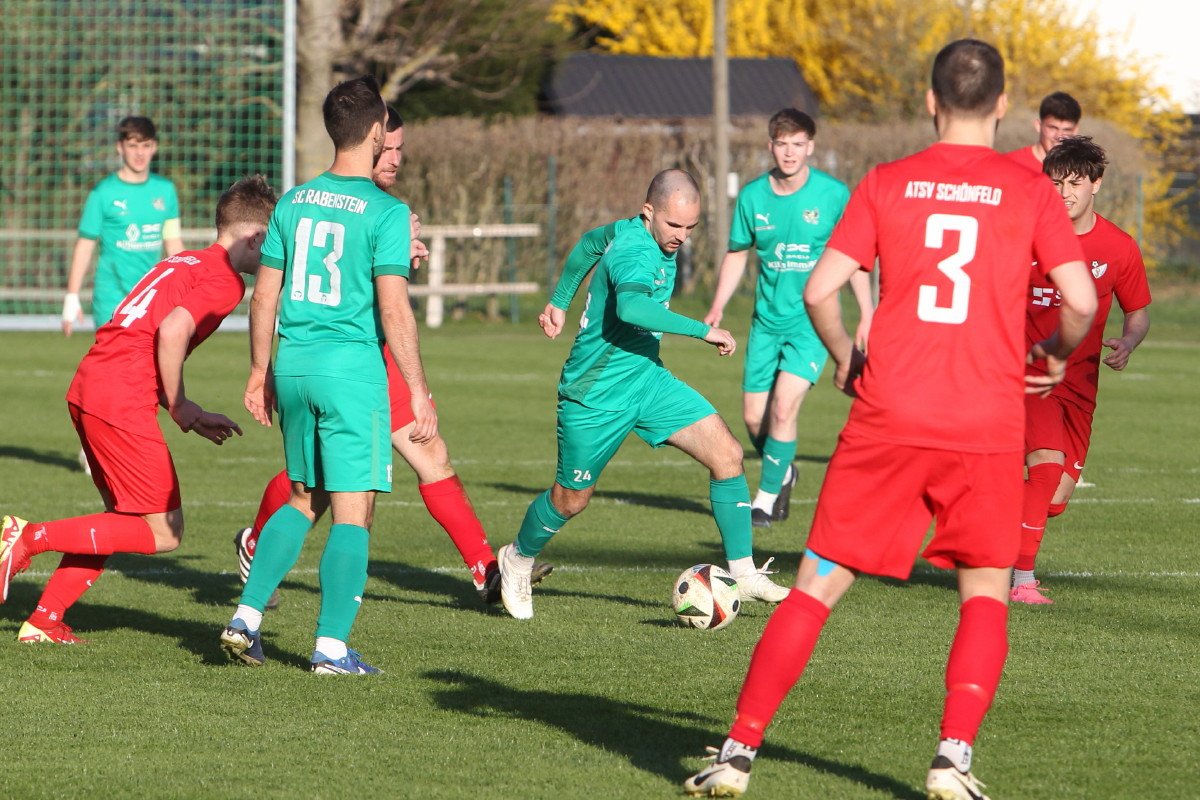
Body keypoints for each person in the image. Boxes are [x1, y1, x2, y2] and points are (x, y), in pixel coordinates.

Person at [683, 39, 1097, 800]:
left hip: (891, 409)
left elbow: (819, 291)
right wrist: (1054, 355)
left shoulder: (887, 183)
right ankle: (952, 760)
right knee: (984, 590)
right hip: (985, 417)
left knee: (814, 587)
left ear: (930, 101)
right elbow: (1082, 302)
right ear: (1005, 106)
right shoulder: (1029, 187)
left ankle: (738, 753)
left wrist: (845, 355)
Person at [232, 105, 551, 607]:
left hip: (364, 356)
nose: (395, 157)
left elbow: (375, 292)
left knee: (428, 454)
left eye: (402, 148)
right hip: (343, 360)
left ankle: (485, 570)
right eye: (390, 145)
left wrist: (406, 263)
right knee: (319, 484)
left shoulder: (378, 208)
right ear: (371, 138)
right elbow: (326, 289)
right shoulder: (355, 206)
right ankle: (273, 562)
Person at [497, 169, 791, 622]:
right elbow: (631, 307)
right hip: (596, 393)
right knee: (571, 499)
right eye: (674, 226)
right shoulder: (634, 251)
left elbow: (589, 243)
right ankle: (517, 559)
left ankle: (744, 571)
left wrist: (559, 299)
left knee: (727, 455)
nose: (682, 238)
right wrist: (704, 330)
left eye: (691, 228)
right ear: (649, 212)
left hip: (648, 380)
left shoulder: (627, 231)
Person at [0, 175, 276, 643]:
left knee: (121, 521)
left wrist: (177, 404)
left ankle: (44, 619)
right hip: (122, 397)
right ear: (256, 236)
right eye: (272, 243)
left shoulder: (183, 260)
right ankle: (26, 537)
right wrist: (180, 404)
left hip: (92, 384)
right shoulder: (225, 280)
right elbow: (172, 330)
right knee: (164, 532)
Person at [219, 76, 430, 676]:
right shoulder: (385, 211)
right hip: (350, 372)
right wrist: (417, 388)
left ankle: (247, 619)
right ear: (372, 133)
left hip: (295, 367)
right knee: (353, 508)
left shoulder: (292, 202)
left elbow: (264, 298)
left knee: (301, 497)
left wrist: (259, 372)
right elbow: (393, 309)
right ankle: (332, 649)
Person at [703, 108, 873, 527]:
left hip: (811, 324)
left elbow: (854, 259)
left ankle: (765, 497)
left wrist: (867, 314)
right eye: (782, 144)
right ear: (770, 146)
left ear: (811, 147)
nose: (790, 152)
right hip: (765, 322)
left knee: (783, 409)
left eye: (798, 144)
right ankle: (785, 470)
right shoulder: (753, 197)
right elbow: (738, 253)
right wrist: (717, 306)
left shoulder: (833, 195)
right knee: (753, 417)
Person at [1012, 136, 1151, 605]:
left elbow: (1138, 312)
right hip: (1028, 377)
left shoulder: (1118, 247)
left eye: (1074, 182)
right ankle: (1020, 581)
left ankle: (990, 503)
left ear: (1096, 183)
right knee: (1046, 469)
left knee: (1053, 500)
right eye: (1055, 183)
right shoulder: (1024, 235)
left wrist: (1129, 341)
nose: (1064, 192)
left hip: (1081, 387)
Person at [63, 116, 184, 336]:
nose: (140, 153)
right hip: (111, 299)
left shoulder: (165, 191)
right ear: (120, 147)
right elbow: (85, 246)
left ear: (154, 147)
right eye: (133, 146)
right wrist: (72, 296)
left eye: (146, 146)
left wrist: (186, 287)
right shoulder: (102, 193)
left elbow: (173, 243)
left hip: (151, 298)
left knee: (149, 368)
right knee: (113, 368)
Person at [1007, 91, 1081, 173]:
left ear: (1075, 130)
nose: (1059, 136)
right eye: (1053, 128)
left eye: (1066, 130)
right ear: (1038, 126)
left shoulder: (1081, 171)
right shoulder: (1010, 164)